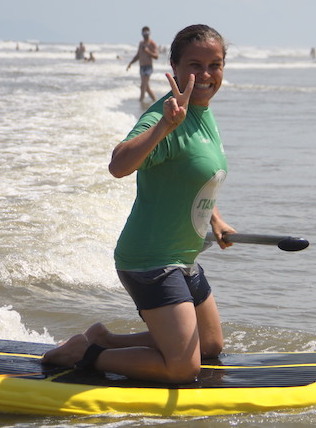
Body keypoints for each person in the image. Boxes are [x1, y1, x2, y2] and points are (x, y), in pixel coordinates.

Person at [42, 25, 235, 384]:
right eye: (195, 65)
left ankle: (104, 339)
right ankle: (85, 354)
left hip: (184, 258)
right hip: (151, 262)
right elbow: (118, 165)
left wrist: (216, 220)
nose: (206, 75)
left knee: (210, 346)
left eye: (215, 65)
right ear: (174, 67)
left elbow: (194, 178)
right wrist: (163, 127)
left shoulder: (203, 112)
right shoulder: (166, 115)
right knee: (183, 368)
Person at [127, 26, 160, 102]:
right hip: (142, 67)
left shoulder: (152, 43)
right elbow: (138, 55)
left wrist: (148, 51)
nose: (145, 34)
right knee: (146, 88)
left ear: (149, 33)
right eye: (144, 33)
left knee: (143, 86)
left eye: (147, 32)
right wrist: (130, 63)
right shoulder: (141, 43)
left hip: (148, 67)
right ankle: (155, 101)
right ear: (142, 33)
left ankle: (141, 103)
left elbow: (156, 56)